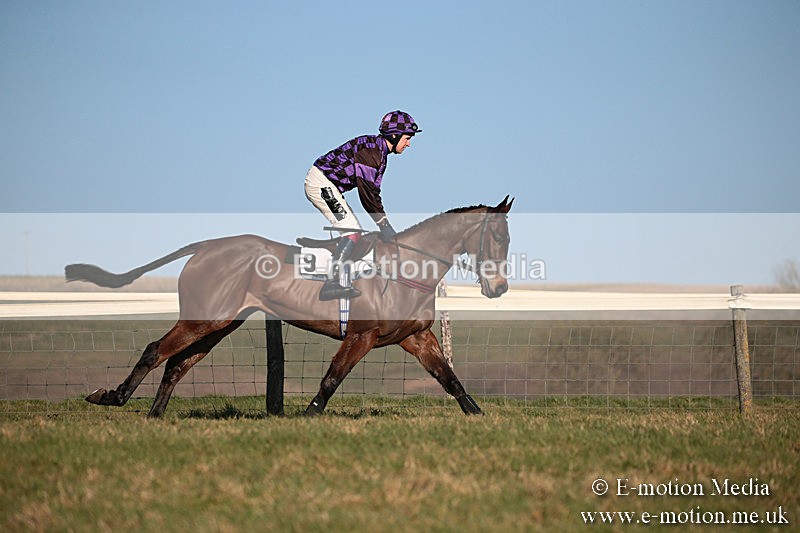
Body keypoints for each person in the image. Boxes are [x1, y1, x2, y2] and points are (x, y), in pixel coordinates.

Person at [304, 110, 421, 301]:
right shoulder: (372, 153)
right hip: (321, 184)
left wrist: (384, 223)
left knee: (353, 228)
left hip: (329, 185)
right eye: (407, 138)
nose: (409, 143)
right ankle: (331, 283)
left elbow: (373, 193)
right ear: (394, 135)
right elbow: (367, 195)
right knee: (352, 231)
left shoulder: (380, 153)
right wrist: (384, 225)